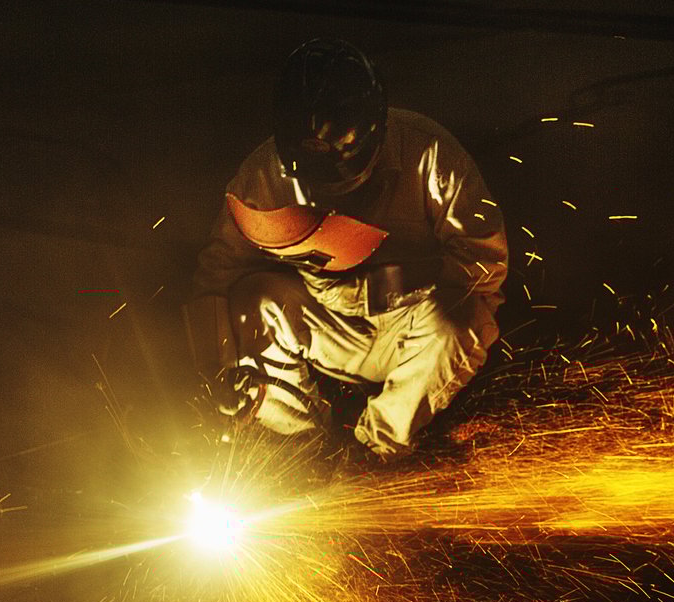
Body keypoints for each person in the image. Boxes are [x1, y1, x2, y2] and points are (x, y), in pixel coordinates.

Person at [186, 38, 507, 460]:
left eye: (346, 167)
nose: (334, 188)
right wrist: (221, 373)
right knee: (252, 300)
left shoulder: (429, 154)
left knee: (463, 318)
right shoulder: (262, 177)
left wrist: (398, 282)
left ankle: (377, 449)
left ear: (378, 132)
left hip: (409, 327)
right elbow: (217, 276)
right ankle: (304, 449)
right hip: (326, 325)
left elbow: (486, 265)